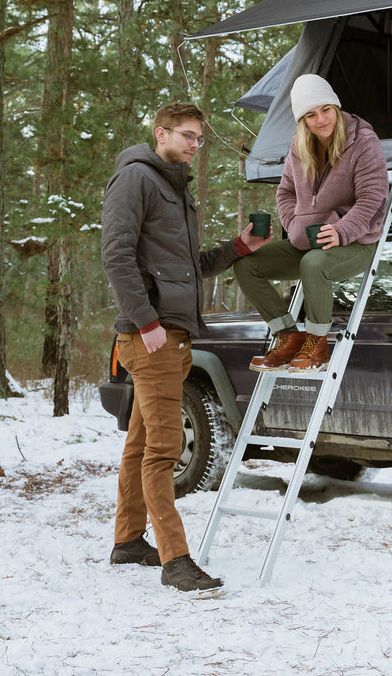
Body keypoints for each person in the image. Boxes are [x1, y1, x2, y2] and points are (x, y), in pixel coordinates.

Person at [101, 102, 270, 591]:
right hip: (152, 337)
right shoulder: (136, 179)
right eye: (188, 136)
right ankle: (176, 562)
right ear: (161, 134)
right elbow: (116, 256)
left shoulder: (176, 190)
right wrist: (147, 321)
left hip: (172, 335)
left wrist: (238, 249)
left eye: (200, 138)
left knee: (139, 445)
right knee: (164, 451)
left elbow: (188, 267)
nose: (196, 145)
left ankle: (129, 540)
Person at [234, 74, 389, 372]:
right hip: (307, 241)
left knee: (314, 263)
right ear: (302, 120)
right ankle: (289, 336)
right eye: (310, 115)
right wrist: (293, 227)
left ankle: (317, 344)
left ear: (336, 106)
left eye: (325, 110)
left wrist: (342, 231)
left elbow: (373, 200)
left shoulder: (363, 142)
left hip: (357, 242)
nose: (320, 120)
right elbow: (286, 192)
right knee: (245, 263)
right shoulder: (299, 145)